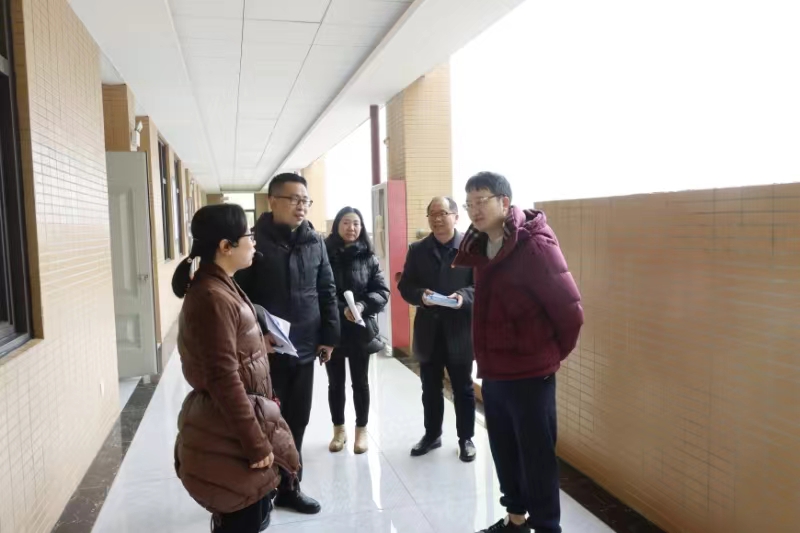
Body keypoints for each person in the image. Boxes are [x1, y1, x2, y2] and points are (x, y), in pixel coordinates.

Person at [453, 172, 584, 533]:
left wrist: (547, 357)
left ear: (504, 202)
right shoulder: (481, 245)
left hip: (531, 375)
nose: (474, 210)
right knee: (505, 451)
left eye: (481, 201)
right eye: (469, 203)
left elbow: (570, 311)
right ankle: (516, 521)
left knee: (537, 458)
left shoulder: (534, 246)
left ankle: (547, 527)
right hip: (495, 371)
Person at [172, 204, 301, 533]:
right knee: (241, 519)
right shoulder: (211, 297)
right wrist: (255, 443)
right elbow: (223, 378)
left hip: (235, 422)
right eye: (249, 236)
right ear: (225, 246)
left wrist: (257, 345)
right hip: (232, 430)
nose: (254, 243)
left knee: (248, 515)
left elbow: (227, 351)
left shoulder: (221, 284)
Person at [235, 173, 339, 515]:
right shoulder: (253, 242)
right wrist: (256, 335)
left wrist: (329, 337)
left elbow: (326, 290)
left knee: (298, 419)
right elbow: (240, 297)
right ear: (272, 201)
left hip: (306, 347)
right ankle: (261, 492)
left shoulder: (315, 241)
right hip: (266, 351)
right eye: (293, 199)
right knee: (265, 421)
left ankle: (290, 487)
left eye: (305, 200)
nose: (301, 206)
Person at [398, 196, 477, 462]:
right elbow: (405, 286)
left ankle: (466, 438)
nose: (437, 219)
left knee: (463, 388)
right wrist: (421, 295)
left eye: (443, 213)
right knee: (430, 388)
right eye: (432, 214)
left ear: (456, 216)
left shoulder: (471, 248)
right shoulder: (417, 249)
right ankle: (432, 435)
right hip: (428, 331)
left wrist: (463, 297)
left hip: (459, 330)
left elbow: (481, 286)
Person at [324, 207, 390, 454]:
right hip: (333, 329)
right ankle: (338, 431)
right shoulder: (324, 255)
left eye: (356, 223)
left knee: (360, 383)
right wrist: (342, 309)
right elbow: (320, 291)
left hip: (361, 331)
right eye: (346, 222)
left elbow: (382, 292)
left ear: (361, 228)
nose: (351, 228)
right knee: (335, 383)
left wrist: (362, 305)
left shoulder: (369, 258)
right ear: (337, 226)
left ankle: (361, 430)